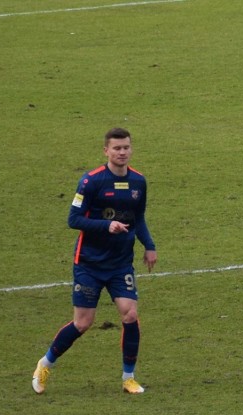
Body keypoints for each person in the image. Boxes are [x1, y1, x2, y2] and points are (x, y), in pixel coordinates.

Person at [32, 128, 157, 395]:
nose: (122, 152)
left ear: (131, 149)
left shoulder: (138, 182)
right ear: (106, 151)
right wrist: (106, 226)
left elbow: (139, 217)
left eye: (126, 147)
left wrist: (149, 246)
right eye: (116, 148)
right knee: (83, 323)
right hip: (89, 263)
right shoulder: (91, 181)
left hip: (120, 263)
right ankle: (45, 363)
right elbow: (73, 220)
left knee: (130, 313)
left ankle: (128, 378)